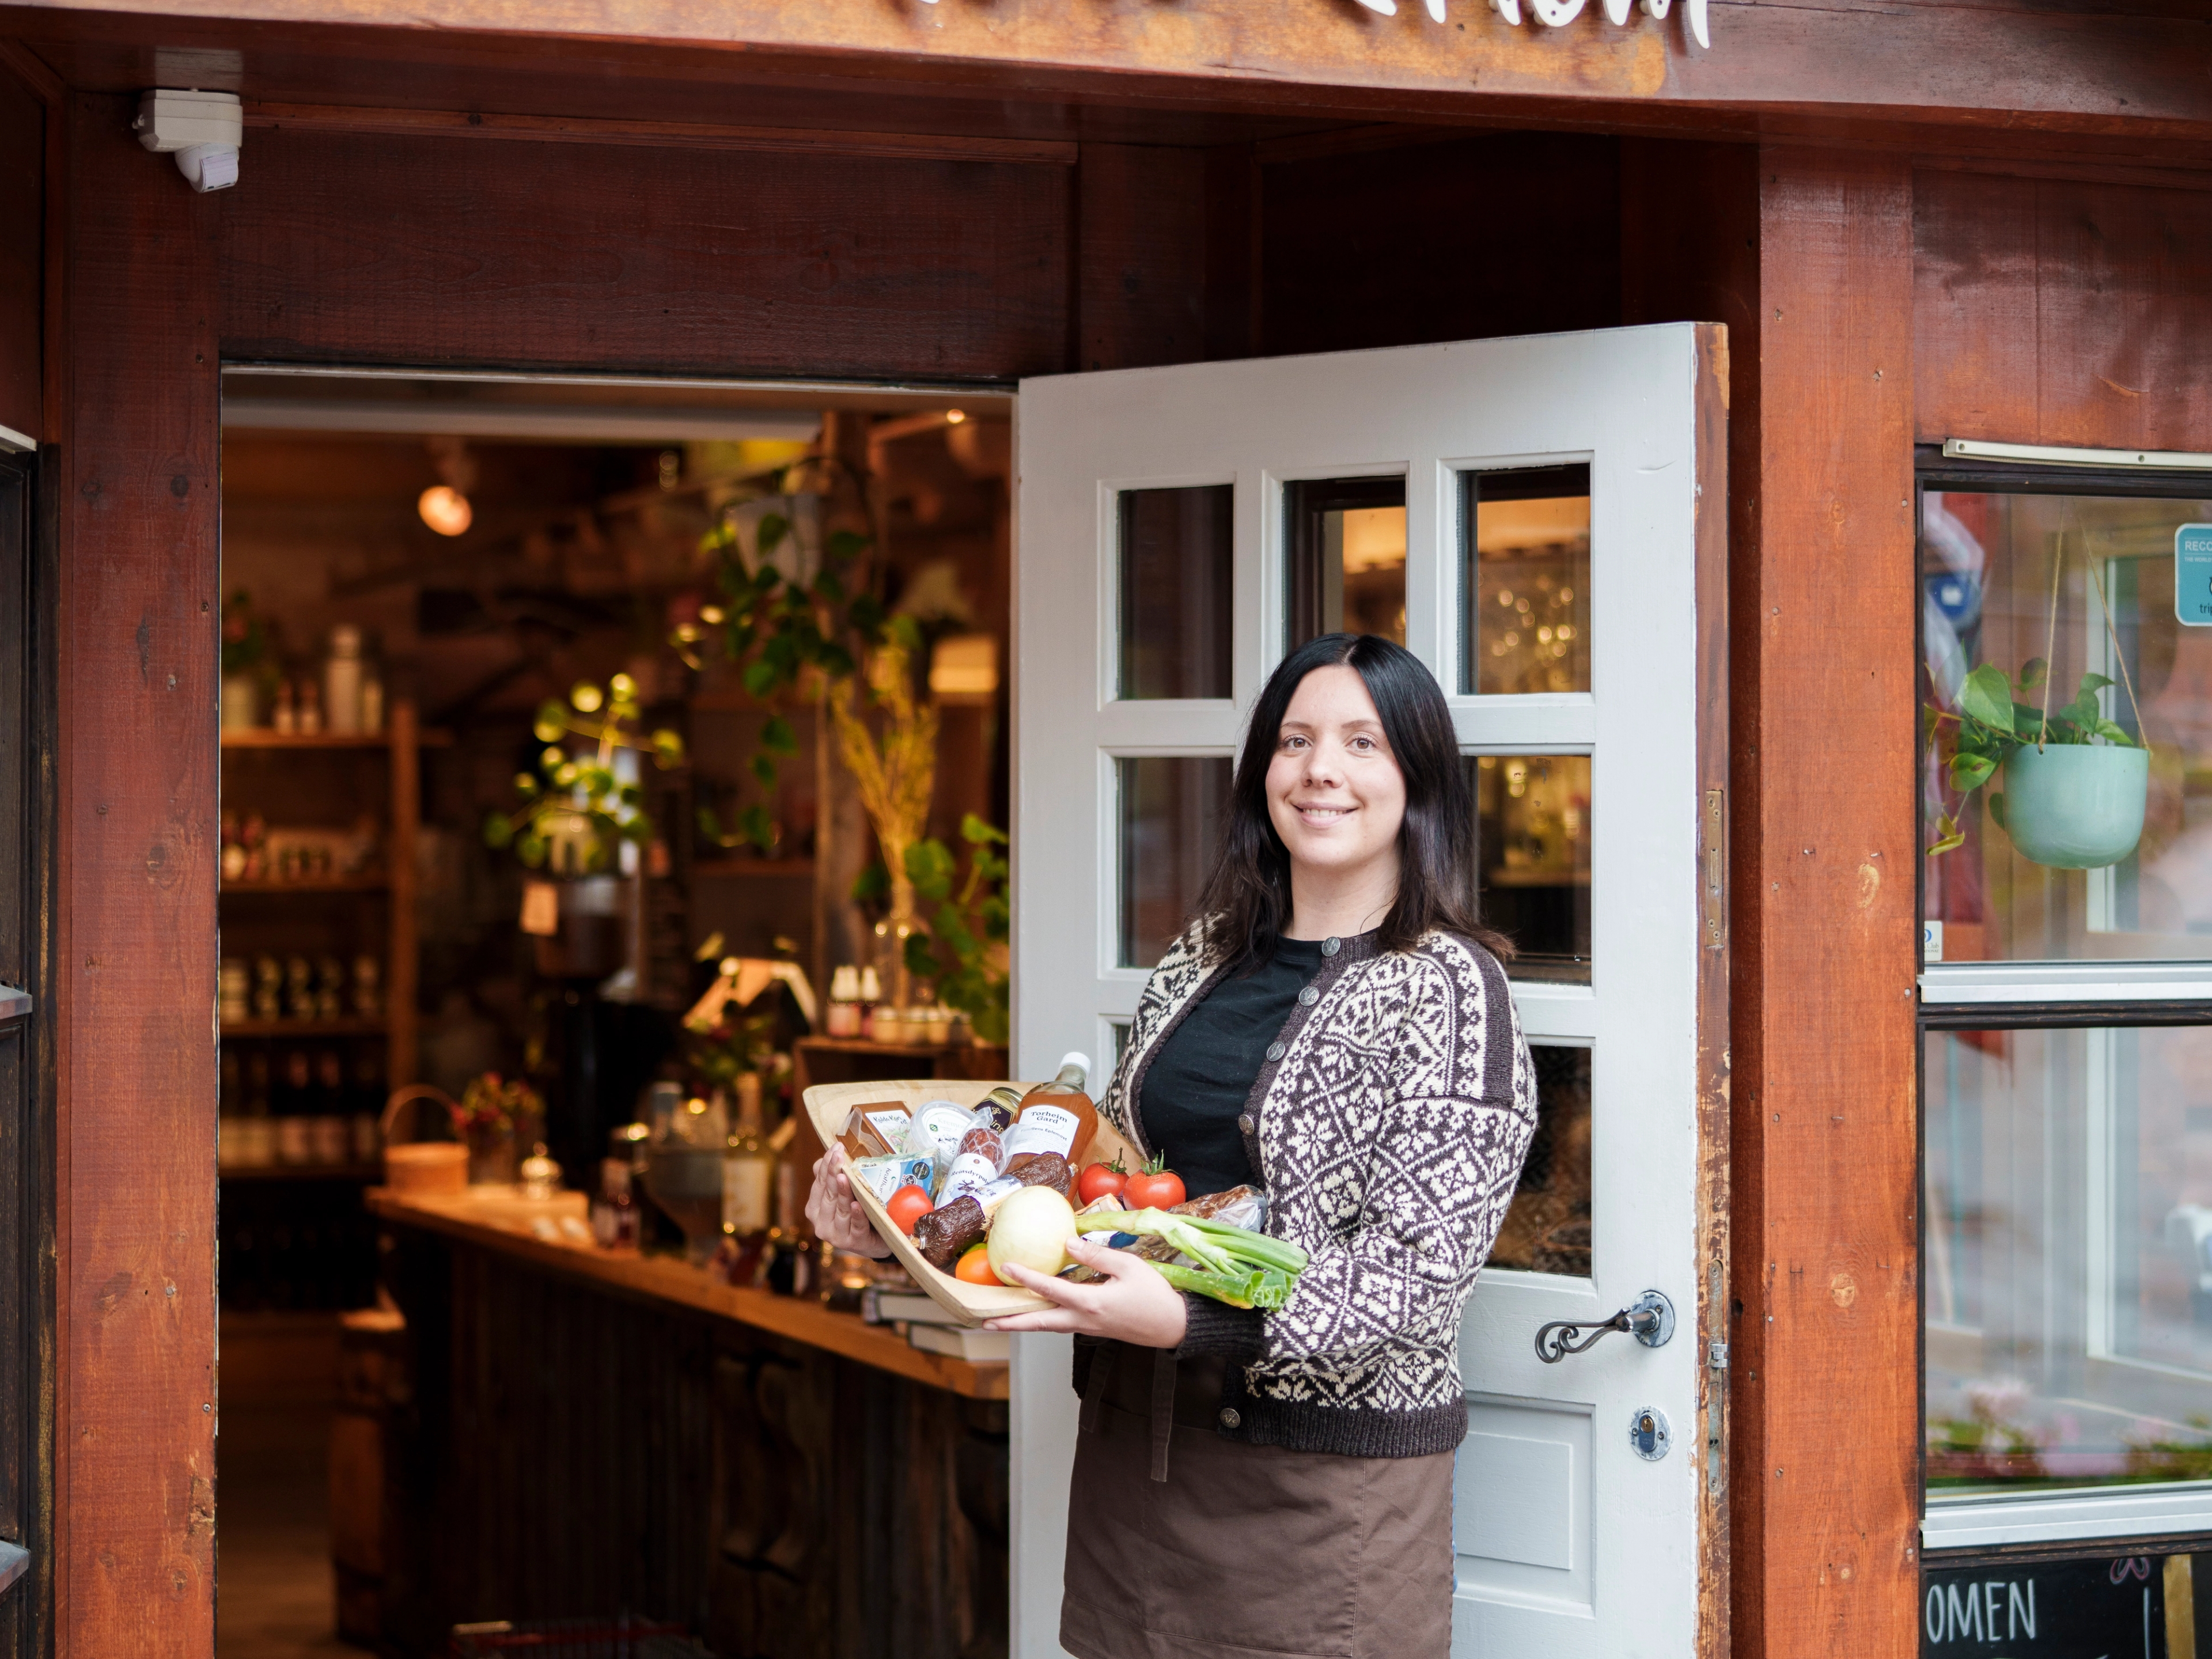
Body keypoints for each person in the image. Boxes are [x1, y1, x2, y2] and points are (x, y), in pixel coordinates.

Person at [807, 632, 1538, 1659]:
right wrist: (899, 1222)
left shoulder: (1454, 990)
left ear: (1417, 778)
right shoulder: (1206, 954)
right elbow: (1108, 1189)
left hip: (1318, 1497)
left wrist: (1201, 1324)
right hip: (1136, 1458)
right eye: (1294, 740)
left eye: (1361, 743)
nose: (1320, 769)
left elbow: (1420, 1281)